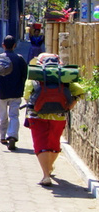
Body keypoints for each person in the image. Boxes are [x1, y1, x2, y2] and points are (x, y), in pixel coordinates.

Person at [23, 53, 84, 187]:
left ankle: (46, 175)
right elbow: (80, 91)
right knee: (53, 143)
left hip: (37, 115)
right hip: (59, 115)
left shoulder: (35, 75)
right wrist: (70, 105)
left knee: (41, 144)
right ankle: (49, 168)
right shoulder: (63, 76)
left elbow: (27, 95)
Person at [0, 35, 28, 151]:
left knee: (3, 116)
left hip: (2, 92)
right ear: (15, 45)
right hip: (16, 92)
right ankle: (12, 135)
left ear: (3, 45)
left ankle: (2, 136)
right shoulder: (20, 59)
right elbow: (25, 75)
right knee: (14, 115)